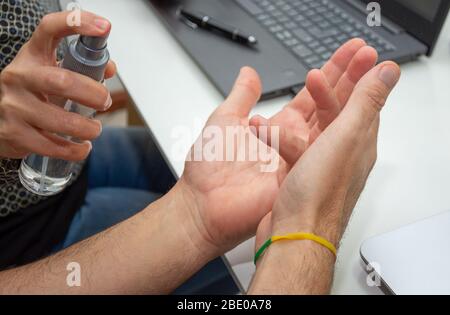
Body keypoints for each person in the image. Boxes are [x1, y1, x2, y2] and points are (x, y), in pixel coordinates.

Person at [0, 8, 401, 294]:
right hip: (23, 241)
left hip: (49, 165)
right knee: (233, 273)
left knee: (169, 158)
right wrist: (312, 229)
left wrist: (194, 209)